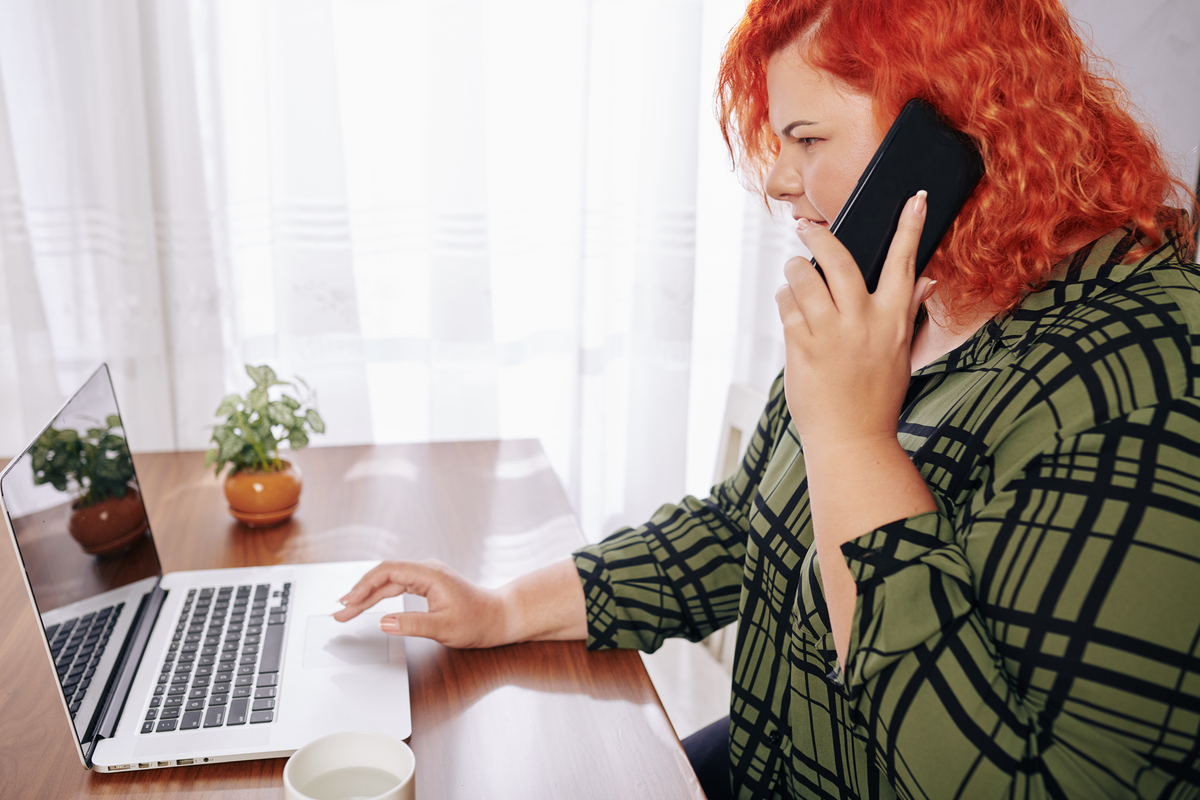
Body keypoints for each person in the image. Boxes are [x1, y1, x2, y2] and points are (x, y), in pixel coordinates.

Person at [335, 0, 1200, 797]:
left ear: (955, 132)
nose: (780, 181)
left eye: (808, 141)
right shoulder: (893, 301)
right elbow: (741, 523)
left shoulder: (1152, 373)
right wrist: (505, 607)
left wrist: (856, 444)